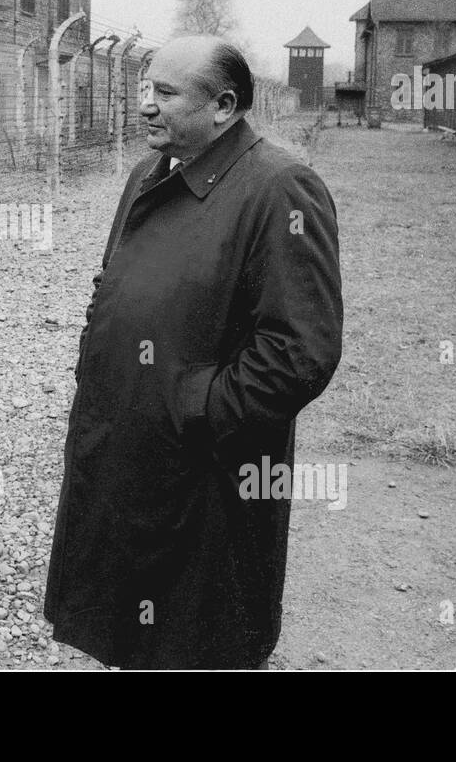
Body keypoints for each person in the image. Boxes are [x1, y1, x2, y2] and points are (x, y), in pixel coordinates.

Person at [43, 35, 344, 670]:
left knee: (201, 634)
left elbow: (300, 351)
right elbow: (113, 284)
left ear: (224, 106)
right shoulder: (149, 174)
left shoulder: (281, 188)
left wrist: (196, 410)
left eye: (165, 93)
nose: (144, 105)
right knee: (129, 623)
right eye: (144, 88)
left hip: (206, 470)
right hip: (124, 446)